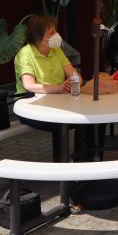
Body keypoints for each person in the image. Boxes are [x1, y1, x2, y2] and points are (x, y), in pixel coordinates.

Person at [14, 15, 99, 160]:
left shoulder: (56, 51)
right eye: (51, 33)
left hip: (59, 103)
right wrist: (61, 88)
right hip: (31, 108)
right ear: (39, 37)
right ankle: (63, 167)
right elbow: (29, 86)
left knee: (91, 118)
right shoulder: (25, 54)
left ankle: (85, 162)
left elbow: (75, 75)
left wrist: (74, 82)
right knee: (62, 124)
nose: (56, 36)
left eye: (55, 31)